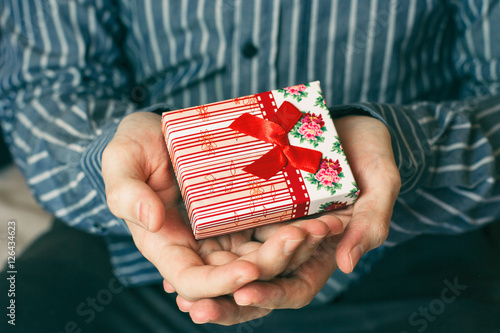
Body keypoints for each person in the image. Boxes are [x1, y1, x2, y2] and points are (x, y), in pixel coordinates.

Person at [0, 0, 499, 331]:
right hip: (129, 252)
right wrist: (112, 161)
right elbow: (48, 88)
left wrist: (400, 144)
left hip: (411, 254)